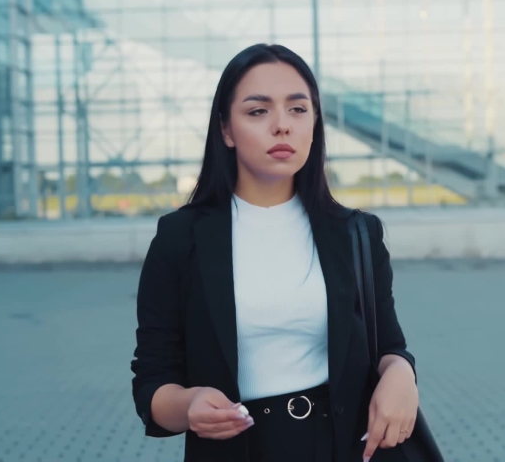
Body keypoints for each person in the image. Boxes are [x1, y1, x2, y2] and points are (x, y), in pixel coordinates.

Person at [130, 44, 419, 462]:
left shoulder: (356, 233)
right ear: (226, 130)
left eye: (298, 109)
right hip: (237, 450)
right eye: (258, 111)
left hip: (343, 446)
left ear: (315, 123)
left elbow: (389, 345)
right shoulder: (181, 238)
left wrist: (402, 374)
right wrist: (190, 406)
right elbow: (152, 383)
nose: (282, 126)